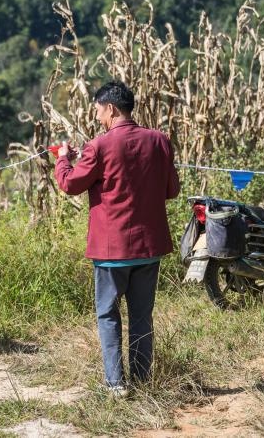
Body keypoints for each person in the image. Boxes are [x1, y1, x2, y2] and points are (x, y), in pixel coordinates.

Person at [54, 81, 180, 397]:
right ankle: (141, 380)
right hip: (148, 248)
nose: (97, 117)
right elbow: (172, 190)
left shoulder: (99, 146)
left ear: (110, 108)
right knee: (141, 316)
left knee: (108, 314)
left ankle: (116, 384)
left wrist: (63, 158)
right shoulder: (159, 141)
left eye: (97, 110)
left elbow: (69, 184)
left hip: (112, 251)